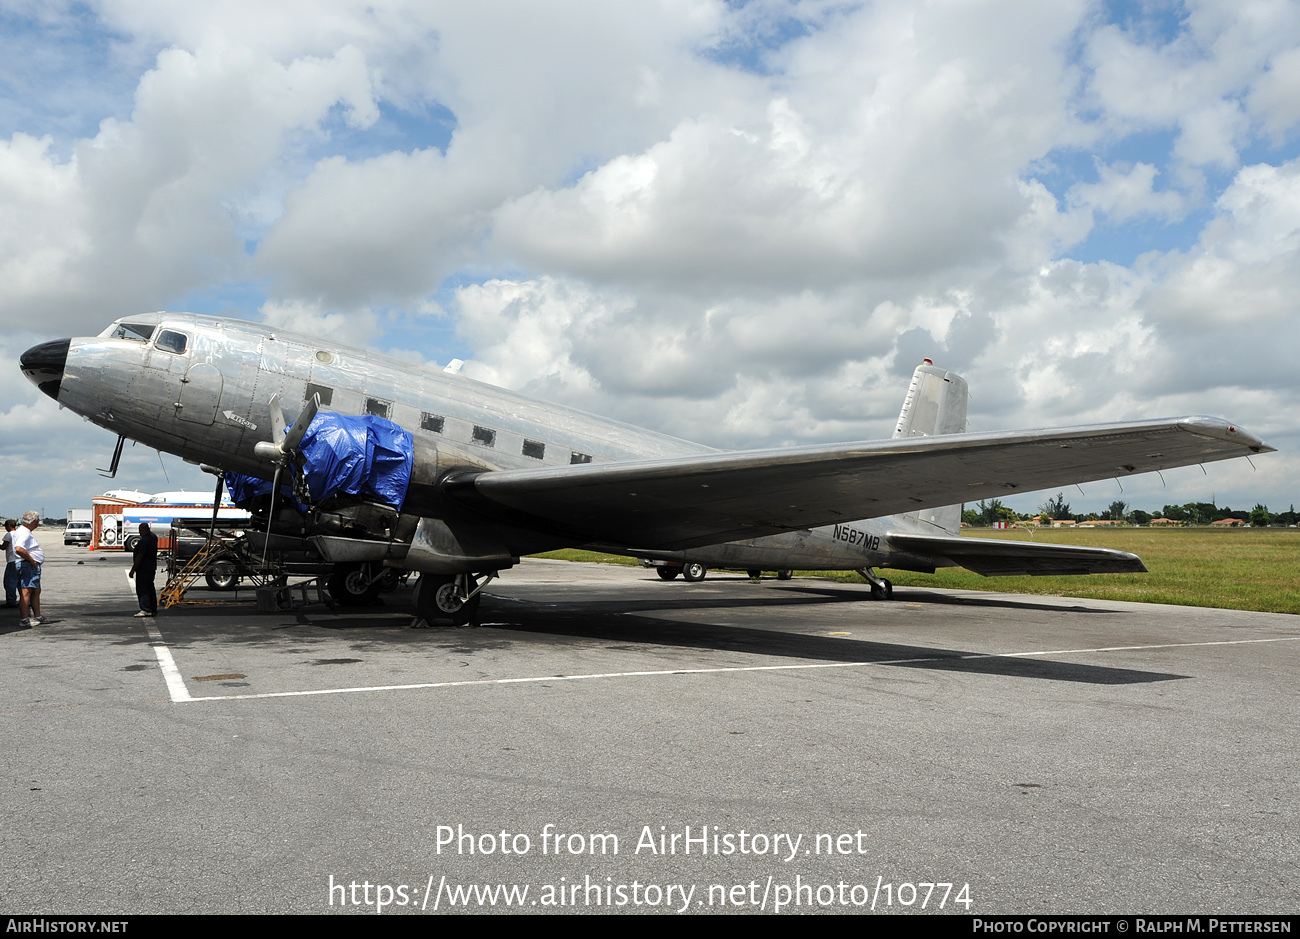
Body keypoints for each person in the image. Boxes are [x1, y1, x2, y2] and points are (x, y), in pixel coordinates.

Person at [11, 511, 44, 627]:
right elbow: (19, 548)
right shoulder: (24, 533)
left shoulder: (22, 531)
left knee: (35, 590)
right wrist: (31, 559)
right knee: (27, 591)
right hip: (28, 565)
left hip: (28, 564)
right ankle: (24, 618)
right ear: (34, 522)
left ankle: (38, 616)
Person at [128, 522, 159, 618]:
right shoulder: (153, 537)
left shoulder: (144, 541)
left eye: (140, 531)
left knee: (143, 589)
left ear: (143, 530)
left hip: (143, 568)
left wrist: (133, 569)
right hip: (151, 567)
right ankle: (153, 609)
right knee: (150, 588)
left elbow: (140, 556)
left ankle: (145, 609)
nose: (140, 533)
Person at [2, 520, 17, 608]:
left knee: (9, 582)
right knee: (19, 582)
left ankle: (11, 601)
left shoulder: (9, 534)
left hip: (12, 561)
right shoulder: (19, 534)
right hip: (20, 560)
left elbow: (4, 547)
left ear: (8, 526)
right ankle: (25, 601)